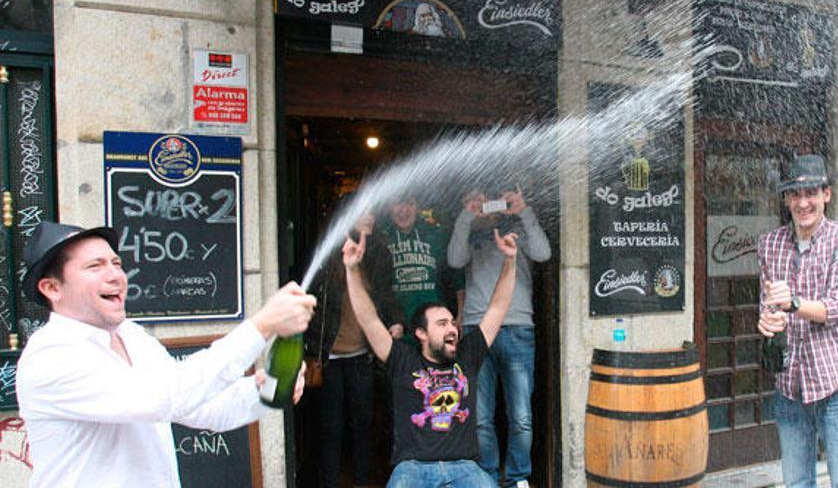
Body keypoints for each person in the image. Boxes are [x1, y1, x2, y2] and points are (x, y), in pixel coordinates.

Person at [15, 221, 316, 488]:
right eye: (95, 266)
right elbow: (164, 397)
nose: (116, 275)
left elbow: (203, 408)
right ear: (52, 288)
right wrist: (261, 326)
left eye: (116, 262)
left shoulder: (132, 336)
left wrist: (265, 390)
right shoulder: (50, 355)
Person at [342, 226, 518, 488]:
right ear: (421, 333)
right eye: (442, 324)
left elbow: (498, 308)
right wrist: (352, 269)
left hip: (465, 468)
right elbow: (368, 319)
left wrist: (511, 261)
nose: (452, 329)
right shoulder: (403, 360)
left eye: (452, 323)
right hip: (413, 469)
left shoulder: (467, 356)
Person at [756, 154, 838, 487]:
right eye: (795, 195)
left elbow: (836, 308)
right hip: (790, 388)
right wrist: (766, 321)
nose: (803, 203)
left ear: (826, 195)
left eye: (811, 194)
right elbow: (769, 304)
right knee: (797, 484)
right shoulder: (769, 243)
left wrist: (792, 303)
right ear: (787, 199)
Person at [447, 185, 550, 488]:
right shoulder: (469, 229)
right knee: (479, 418)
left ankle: (518, 478)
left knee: (521, 416)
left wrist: (524, 211)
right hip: (476, 330)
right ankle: (488, 477)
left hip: (518, 327)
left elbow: (544, 254)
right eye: (482, 202)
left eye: (498, 201)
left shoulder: (520, 226)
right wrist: (467, 217)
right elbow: (454, 260)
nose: (491, 207)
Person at [304, 212, 403, 488]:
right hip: (329, 357)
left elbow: (385, 294)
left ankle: (361, 480)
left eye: (373, 213)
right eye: (363, 213)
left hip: (362, 354)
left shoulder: (379, 252)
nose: (370, 217)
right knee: (331, 426)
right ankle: (330, 482)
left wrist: (395, 320)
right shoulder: (329, 253)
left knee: (362, 424)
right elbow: (312, 303)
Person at [383, 195, 464, 344]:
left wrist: (460, 315)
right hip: (397, 328)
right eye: (397, 204)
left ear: (418, 207)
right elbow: (377, 287)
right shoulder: (382, 238)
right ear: (389, 208)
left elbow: (457, 277)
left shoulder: (437, 235)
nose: (403, 210)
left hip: (435, 327)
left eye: (410, 204)